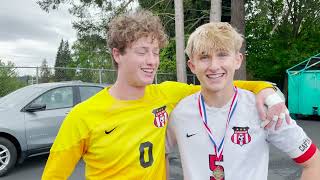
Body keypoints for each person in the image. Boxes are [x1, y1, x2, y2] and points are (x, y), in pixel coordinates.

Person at [42, 10, 288, 180]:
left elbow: (222, 85)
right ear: (117, 54)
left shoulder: (167, 93)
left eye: (156, 52)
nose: (152, 61)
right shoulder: (82, 116)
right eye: (142, 52)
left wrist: (268, 91)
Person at [166, 22, 320, 180]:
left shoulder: (263, 109)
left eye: (222, 55)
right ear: (192, 65)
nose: (214, 66)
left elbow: (314, 162)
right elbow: (160, 154)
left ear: (238, 60)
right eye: (204, 57)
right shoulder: (179, 113)